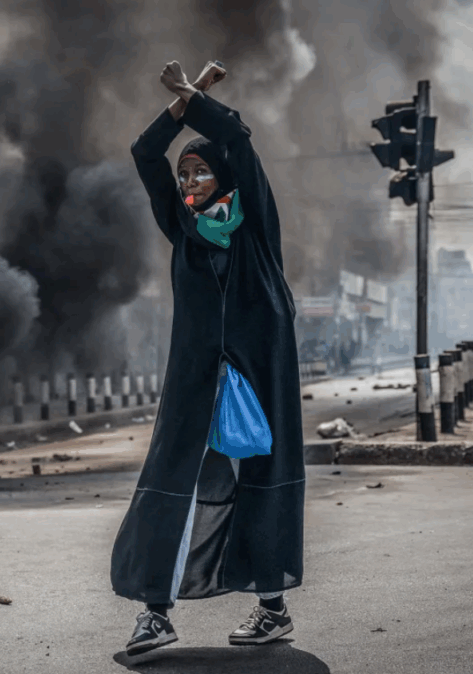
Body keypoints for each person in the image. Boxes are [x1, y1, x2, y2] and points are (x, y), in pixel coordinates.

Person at [111, 60, 304, 656]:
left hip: (259, 371)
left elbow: (236, 138)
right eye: (185, 174)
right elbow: (145, 153)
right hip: (196, 376)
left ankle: (272, 608)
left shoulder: (255, 222)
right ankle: (154, 613)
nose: (190, 182)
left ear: (223, 177)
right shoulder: (183, 228)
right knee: (172, 481)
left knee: (261, 480)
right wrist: (180, 105)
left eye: (200, 171)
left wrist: (192, 92)